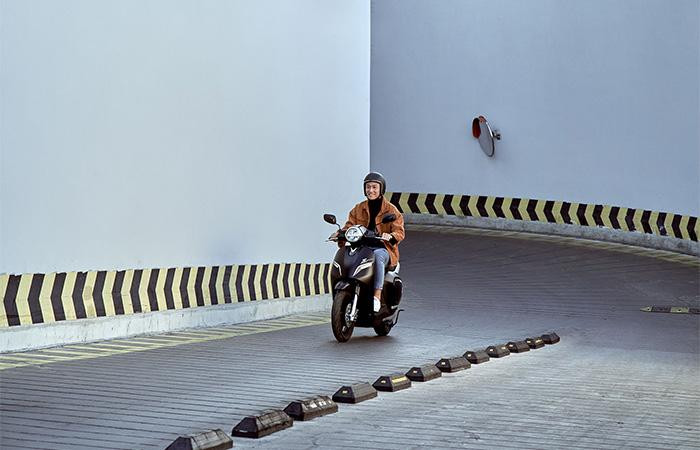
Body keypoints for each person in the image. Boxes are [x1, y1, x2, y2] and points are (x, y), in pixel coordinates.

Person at [335, 172, 405, 313]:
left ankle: (377, 295)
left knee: (378, 255)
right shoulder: (358, 208)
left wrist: (391, 236)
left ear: (381, 189)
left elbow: (399, 231)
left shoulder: (391, 210)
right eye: (368, 187)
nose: (370, 190)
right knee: (345, 253)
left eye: (374, 187)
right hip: (362, 248)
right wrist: (340, 233)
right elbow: (350, 225)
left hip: (383, 248)